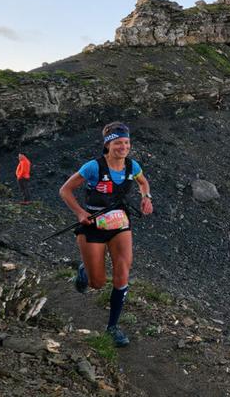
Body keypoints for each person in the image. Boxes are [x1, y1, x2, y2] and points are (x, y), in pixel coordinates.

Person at [59, 122, 153, 346]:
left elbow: (143, 182)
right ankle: (85, 271)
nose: (124, 147)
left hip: (120, 223)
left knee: (123, 270)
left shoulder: (132, 167)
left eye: (127, 142)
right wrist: (80, 212)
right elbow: (65, 190)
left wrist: (146, 197)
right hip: (93, 226)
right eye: (118, 142)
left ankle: (112, 327)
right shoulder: (93, 167)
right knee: (97, 283)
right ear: (108, 144)